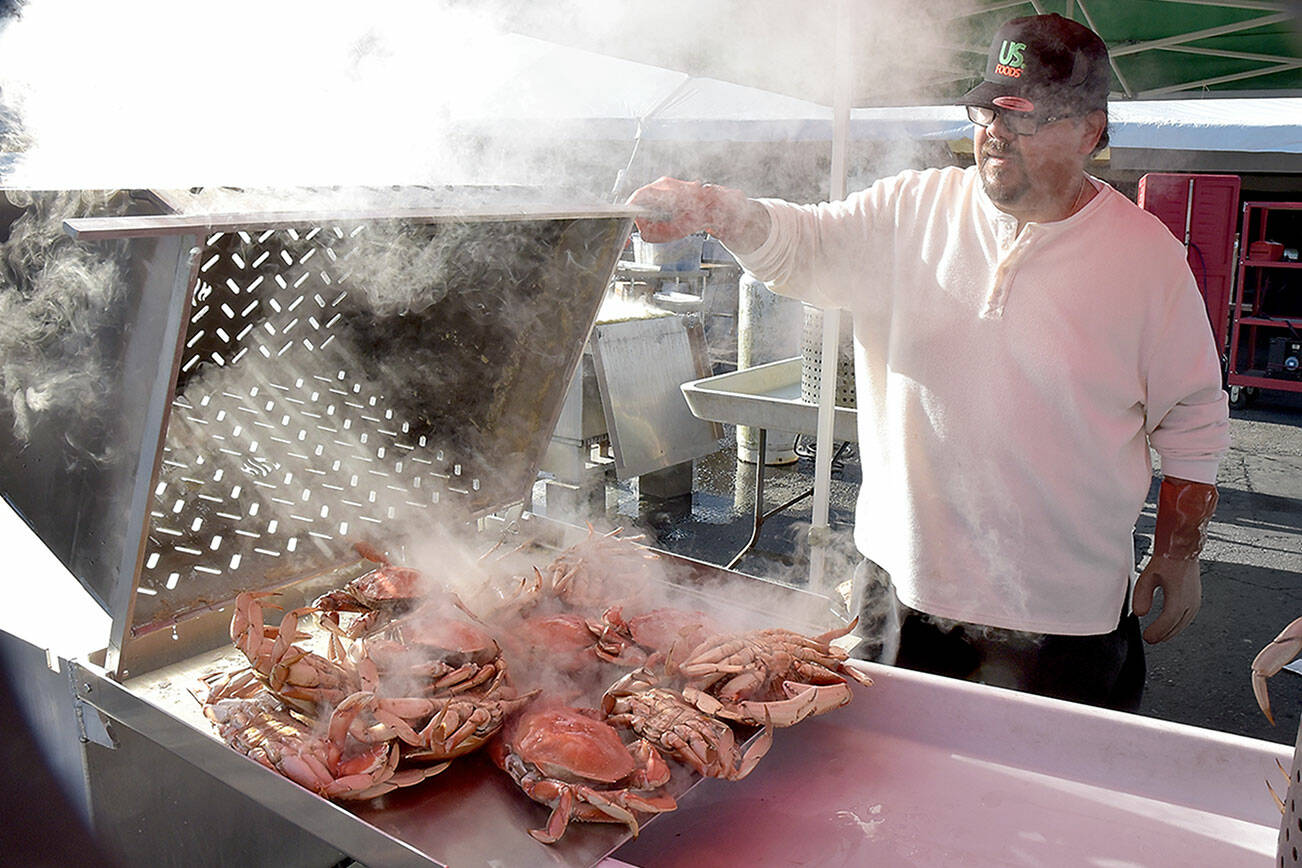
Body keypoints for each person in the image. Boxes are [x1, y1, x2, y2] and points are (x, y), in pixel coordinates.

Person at [627, 13, 1227, 710]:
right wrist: (716, 209)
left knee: (1052, 804)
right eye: (987, 108)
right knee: (884, 793)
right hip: (902, 589)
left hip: (1065, 615)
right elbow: (806, 245)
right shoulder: (912, 208)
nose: (997, 131)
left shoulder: (1148, 258)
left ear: (1090, 132)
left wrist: (1179, 554)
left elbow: (1193, 421)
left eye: (1026, 114)